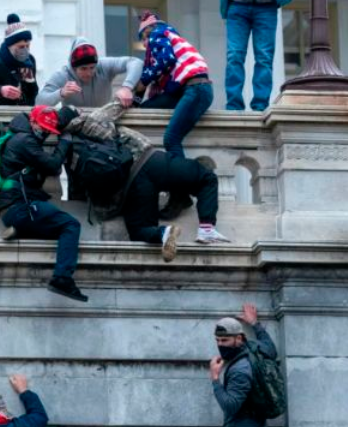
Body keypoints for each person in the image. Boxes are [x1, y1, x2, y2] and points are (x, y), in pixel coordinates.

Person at [58, 103, 229, 260]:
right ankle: (206, 229)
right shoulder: (90, 120)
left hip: (130, 188)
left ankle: (164, 233)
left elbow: (78, 191)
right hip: (149, 161)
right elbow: (121, 103)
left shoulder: (67, 151)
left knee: (139, 230)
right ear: (76, 115)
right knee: (206, 178)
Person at [0, 105, 87, 302]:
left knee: (54, 226)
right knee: (70, 225)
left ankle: (21, 230)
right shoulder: (26, 141)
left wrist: (72, 111)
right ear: (32, 122)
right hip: (21, 206)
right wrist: (64, 141)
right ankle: (62, 278)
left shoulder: (22, 134)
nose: (45, 133)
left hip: (15, 207)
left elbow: (56, 119)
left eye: (49, 131)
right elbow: (53, 165)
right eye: (43, 129)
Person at [135, 10, 213, 221]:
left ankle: (180, 193)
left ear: (148, 31)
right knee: (147, 109)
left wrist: (142, 83)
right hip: (188, 90)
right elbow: (166, 78)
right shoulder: (169, 37)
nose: (144, 44)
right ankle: (181, 193)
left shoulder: (158, 34)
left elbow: (164, 61)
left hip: (196, 88)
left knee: (171, 138)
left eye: (142, 38)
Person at [208, 303, 277, 427]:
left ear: (238, 338)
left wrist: (215, 379)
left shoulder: (240, 370)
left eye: (225, 340)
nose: (220, 345)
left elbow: (230, 406)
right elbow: (271, 348)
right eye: (218, 341)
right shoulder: (256, 350)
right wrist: (254, 323)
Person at [223, 0, 292, 111]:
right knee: (234, 56)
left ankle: (260, 106)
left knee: (264, 58)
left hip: (266, 7)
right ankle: (234, 106)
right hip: (237, 6)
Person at [36, 37, 143, 109]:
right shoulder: (63, 75)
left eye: (92, 67)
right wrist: (61, 93)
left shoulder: (103, 65)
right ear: (74, 67)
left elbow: (136, 62)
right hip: (75, 125)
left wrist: (127, 87)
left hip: (102, 123)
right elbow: (39, 102)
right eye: (83, 68)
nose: (89, 73)